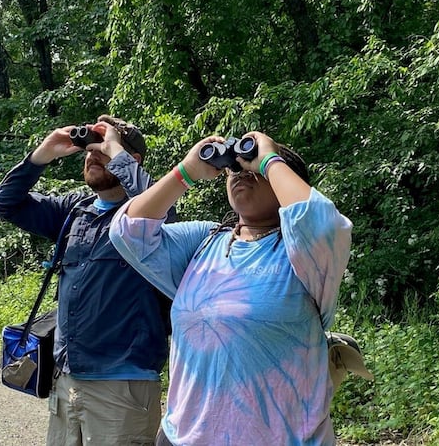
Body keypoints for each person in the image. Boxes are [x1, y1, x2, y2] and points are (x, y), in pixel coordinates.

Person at [109, 131, 353, 445]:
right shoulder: (204, 241)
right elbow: (128, 232)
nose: (240, 174)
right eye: (235, 169)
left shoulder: (306, 257)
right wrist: (186, 171)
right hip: (185, 436)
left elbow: (321, 222)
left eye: (254, 169)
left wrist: (268, 158)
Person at [0, 115, 175, 446]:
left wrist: (115, 150)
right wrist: (41, 155)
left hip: (123, 386)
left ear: (129, 159)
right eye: (88, 151)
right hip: (66, 379)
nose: (91, 156)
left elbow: (164, 207)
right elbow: (2, 203)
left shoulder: (148, 218)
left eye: (101, 151)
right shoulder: (75, 210)